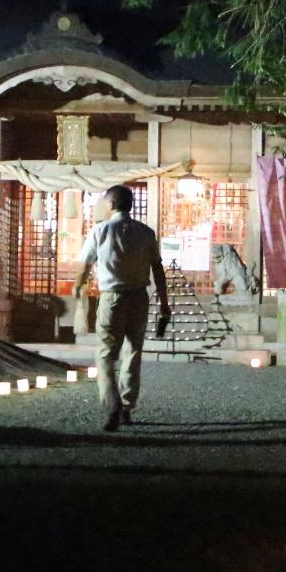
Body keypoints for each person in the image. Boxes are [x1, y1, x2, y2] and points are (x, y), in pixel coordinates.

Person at [74, 184, 171, 431]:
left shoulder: (101, 230)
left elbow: (84, 267)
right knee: (133, 352)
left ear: (111, 205)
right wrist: (164, 303)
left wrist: (78, 289)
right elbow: (158, 270)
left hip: (112, 297)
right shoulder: (146, 233)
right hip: (139, 297)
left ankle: (112, 404)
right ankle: (127, 406)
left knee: (106, 353)